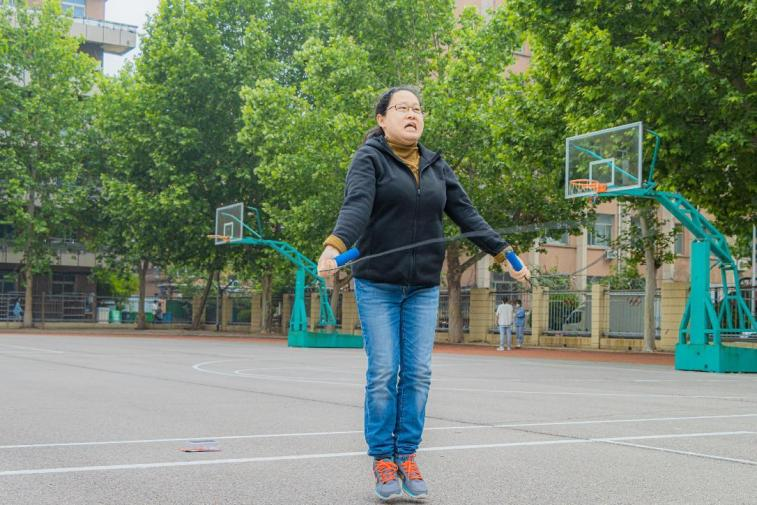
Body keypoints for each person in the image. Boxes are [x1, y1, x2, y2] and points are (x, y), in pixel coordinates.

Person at [317, 86, 530, 501]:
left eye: (417, 109)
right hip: (377, 283)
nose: (412, 114)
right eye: (402, 108)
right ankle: (383, 459)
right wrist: (334, 246)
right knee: (384, 372)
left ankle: (407, 455)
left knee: (417, 373)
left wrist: (504, 254)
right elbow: (356, 206)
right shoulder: (369, 159)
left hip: (423, 287)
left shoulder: (436, 165)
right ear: (382, 119)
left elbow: (467, 215)